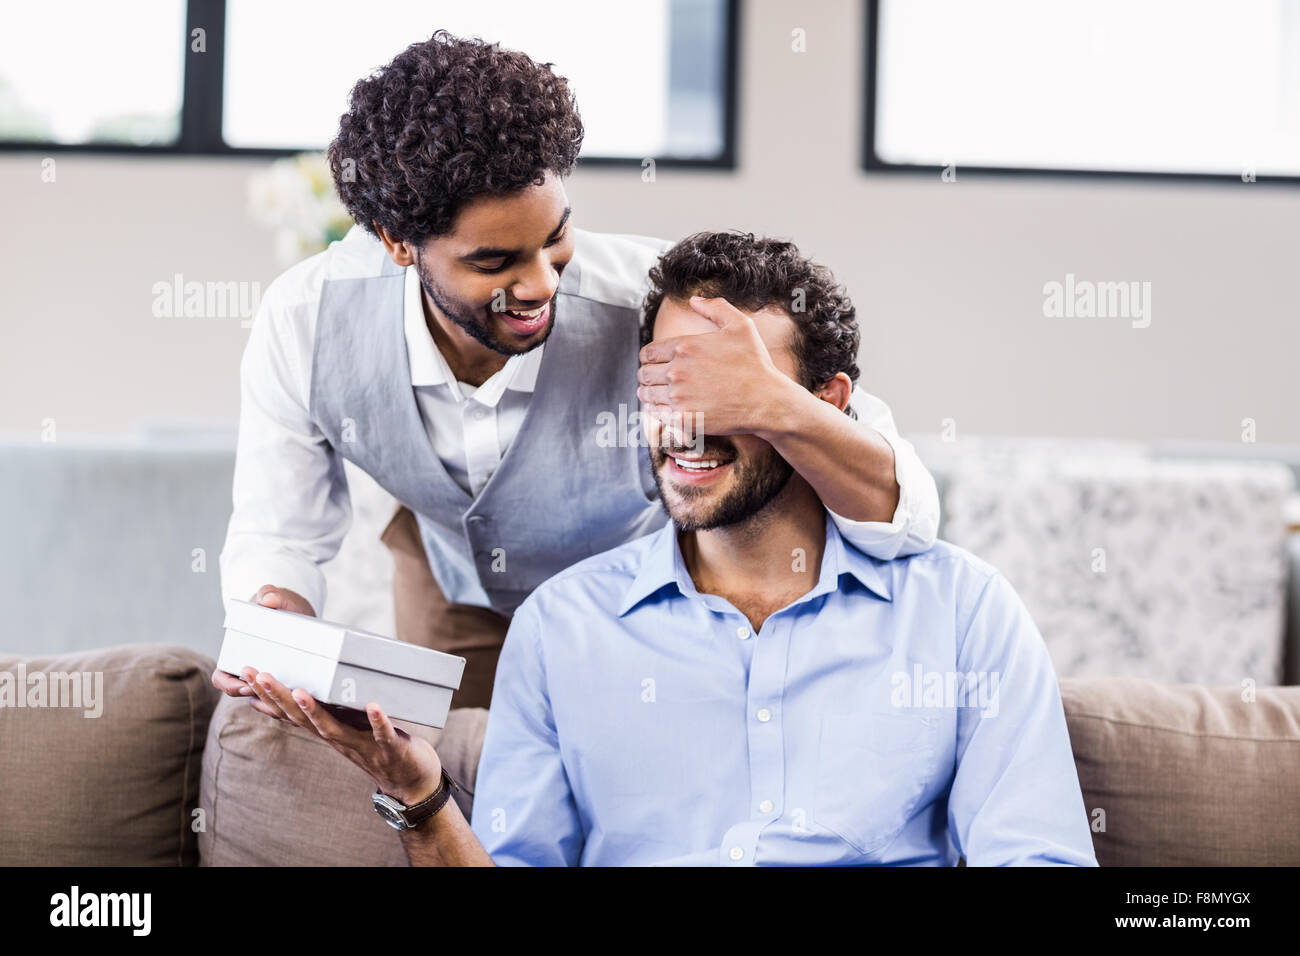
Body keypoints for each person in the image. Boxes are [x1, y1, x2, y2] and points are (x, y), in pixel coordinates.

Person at [243, 231, 1097, 867]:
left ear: (825, 403)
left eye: (721, 388)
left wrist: (773, 405)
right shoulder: (563, 633)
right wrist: (423, 797)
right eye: (664, 380)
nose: (685, 422)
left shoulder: (962, 614)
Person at [214, 31, 940, 710]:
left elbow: (907, 514)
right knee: (468, 792)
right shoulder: (307, 322)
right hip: (453, 596)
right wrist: (276, 614)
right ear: (397, 244)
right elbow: (279, 534)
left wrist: (777, 404)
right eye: (493, 262)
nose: (539, 284)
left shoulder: (657, 305)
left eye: (555, 239)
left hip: (640, 593)